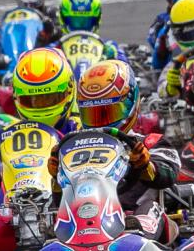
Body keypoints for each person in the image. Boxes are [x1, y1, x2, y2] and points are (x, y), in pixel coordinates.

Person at [75, 58, 183, 224]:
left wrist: (146, 165)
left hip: (135, 217)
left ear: (132, 102)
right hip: (86, 218)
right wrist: (55, 175)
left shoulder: (149, 143)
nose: (101, 123)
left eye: (108, 113)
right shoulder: (75, 149)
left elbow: (169, 174)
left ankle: (138, 228)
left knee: (145, 214)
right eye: (92, 115)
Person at [7, 48, 81, 135]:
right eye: (34, 100)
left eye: (49, 98)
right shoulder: (10, 133)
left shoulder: (79, 128)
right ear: (16, 96)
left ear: (70, 89)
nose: (42, 105)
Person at [58, 0, 127, 60]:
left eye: (86, 22)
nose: (81, 29)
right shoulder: (55, 48)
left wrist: (111, 56)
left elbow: (124, 64)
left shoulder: (107, 46)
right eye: (75, 22)